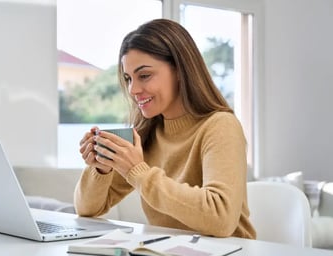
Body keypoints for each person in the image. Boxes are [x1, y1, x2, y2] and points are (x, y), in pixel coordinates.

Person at [74, 18, 256, 239]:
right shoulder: (145, 134)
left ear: (180, 69)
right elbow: (87, 210)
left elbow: (220, 219)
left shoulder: (220, 126)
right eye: (128, 78)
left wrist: (138, 172)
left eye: (144, 76)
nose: (133, 89)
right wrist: (100, 169)